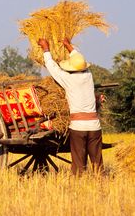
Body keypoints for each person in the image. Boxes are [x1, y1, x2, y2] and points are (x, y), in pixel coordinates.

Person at [37, 38, 103, 175]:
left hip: (78, 127)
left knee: (78, 164)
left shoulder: (68, 79)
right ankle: (100, 183)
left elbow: (52, 67)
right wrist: (68, 46)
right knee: (97, 162)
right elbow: (79, 61)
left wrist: (46, 49)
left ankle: (78, 186)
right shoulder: (89, 76)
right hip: (95, 126)